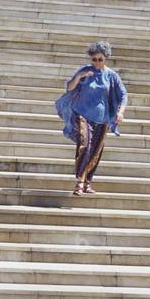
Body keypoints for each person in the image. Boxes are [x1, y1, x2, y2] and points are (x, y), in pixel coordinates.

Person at [55, 41, 128, 195]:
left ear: (106, 58)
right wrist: (79, 77)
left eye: (100, 59)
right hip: (83, 115)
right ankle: (80, 182)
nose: (97, 62)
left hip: (102, 119)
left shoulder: (111, 76)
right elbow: (69, 87)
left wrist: (120, 112)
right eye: (94, 59)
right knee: (85, 145)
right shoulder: (85, 72)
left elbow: (123, 95)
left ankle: (87, 182)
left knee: (96, 151)